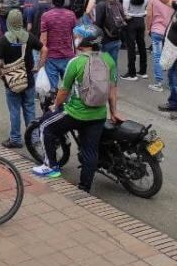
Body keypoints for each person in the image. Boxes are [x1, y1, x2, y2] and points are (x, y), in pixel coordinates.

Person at [33, 23, 120, 191]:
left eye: (77, 37)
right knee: (90, 151)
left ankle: (51, 166)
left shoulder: (76, 62)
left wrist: (55, 105)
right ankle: (84, 186)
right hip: (99, 114)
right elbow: (112, 90)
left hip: (76, 113)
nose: (74, 40)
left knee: (45, 127)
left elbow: (64, 91)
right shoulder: (109, 60)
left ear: (83, 42)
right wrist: (114, 112)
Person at [0, 8, 40, 149]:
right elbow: (44, 49)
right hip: (29, 79)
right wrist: (38, 66)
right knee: (30, 108)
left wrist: (1, 74)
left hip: (12, 81)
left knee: (14, 110)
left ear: (8, 22)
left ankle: (15, 139)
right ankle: (34, 138)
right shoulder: (29, 36)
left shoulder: (4, 40)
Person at [37, 0, 78, 88]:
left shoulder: (46, 16)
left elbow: (43, 40)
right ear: (64, 1)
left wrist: (41, 57)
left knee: (52, 88)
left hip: (51, 57)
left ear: (52, 1)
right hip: (68, 55)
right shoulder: (71, 15)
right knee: (67, 87)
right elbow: (75, 36)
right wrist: (75, 52)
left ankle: (54, 102)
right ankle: (65, 103)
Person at [119, 0, 149, 80]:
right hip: (141, 17)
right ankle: (143, 71)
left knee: (131, 46)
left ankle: (132, 73)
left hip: (131, 17)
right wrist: (143, 9)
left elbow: (126, 0)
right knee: (141, 44)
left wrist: (125, 13)